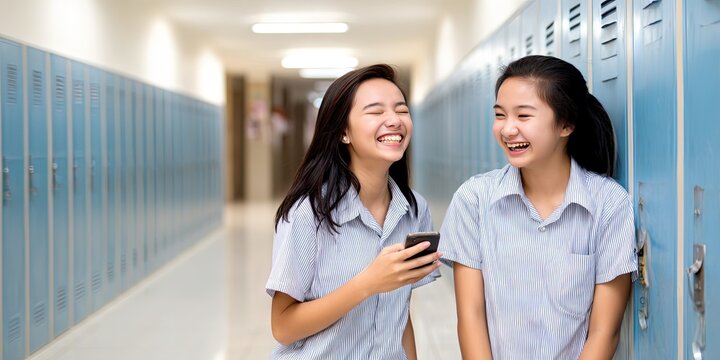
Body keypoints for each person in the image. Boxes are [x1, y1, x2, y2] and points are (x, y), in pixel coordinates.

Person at [439, 55, 637, 359]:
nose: (507, 130)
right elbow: (471, 319)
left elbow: (604, 332)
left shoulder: (608, 204)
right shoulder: (474, 200)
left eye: (524, 116)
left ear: (566, 124)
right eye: (500, 115)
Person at [266, 64, 441, 359]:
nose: (394, 120)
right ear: (343, 132)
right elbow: (282, 326)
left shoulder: (414, 209)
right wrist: (367, 284)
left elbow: (399, 314)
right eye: (375, 112)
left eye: (401, 110)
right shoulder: (309, 214)